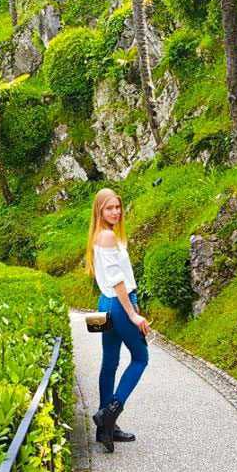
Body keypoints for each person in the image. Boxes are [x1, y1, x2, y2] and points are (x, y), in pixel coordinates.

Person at [86, 187, 150, 453]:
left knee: (110, 362)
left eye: (118, 207)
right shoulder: (108, 237)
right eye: (109, 208)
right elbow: (118, 281)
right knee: (140, 358)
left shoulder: (99, 237)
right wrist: (134, 314)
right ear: (99, 210)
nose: (115, 212)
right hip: (119, 303)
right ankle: (109, 414)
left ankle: (105, 428)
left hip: (104, 303)